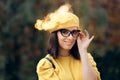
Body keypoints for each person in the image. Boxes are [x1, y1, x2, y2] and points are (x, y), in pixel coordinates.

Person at [35, 3, 101, 80]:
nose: (70, 37)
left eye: (74, 32)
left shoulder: (86, 58)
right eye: (65, 32)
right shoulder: (46, 64)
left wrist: (83, 50)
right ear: (55, 35)